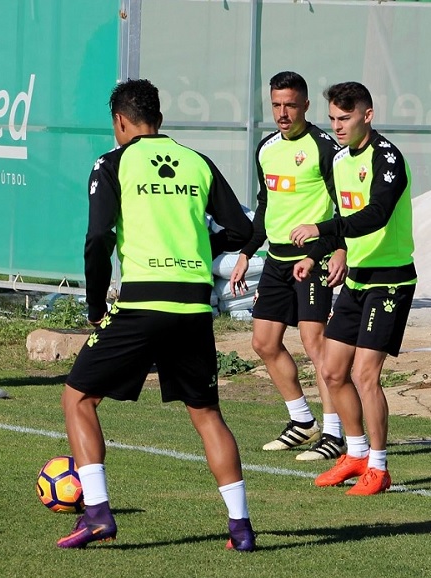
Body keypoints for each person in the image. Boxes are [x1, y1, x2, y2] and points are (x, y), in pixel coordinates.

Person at [56, 79, 255, 550]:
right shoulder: (197, 162)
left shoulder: (113, 162)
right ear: (159, 119)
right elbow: (244, 229)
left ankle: (99, 514)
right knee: (207, 414)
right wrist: (203, 246)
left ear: (120, 122)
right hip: (193, 305)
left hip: (142, 302)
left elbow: (98, 238)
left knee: (78, 399)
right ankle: (241, 527)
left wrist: (95, 304)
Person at [291, 82, 416, 495]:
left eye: (345, 118)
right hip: (358, 278)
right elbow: (347, 221)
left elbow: (376, 215)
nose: (337, 126)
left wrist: (321, 229)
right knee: (330, 370)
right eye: (332, 118)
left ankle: (378, 468)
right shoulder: (341, 160)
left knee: (365, 375)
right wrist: (320, 251)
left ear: (368, 115)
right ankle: (356, 454)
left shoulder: (388, 158)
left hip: (390, 281)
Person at [229, 71, 348, 460]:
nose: (282, 112)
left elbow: (345, 207)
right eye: (277, 104)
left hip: (313, 259)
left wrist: (338, 249)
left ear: (306, 106)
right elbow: (265, 205)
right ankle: (302, 421)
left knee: (316, 345)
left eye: (290, 105)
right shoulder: (266, 148)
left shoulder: (324, 147)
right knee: (263, 342)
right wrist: (247, 252)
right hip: (277, 260)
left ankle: (333, 433)